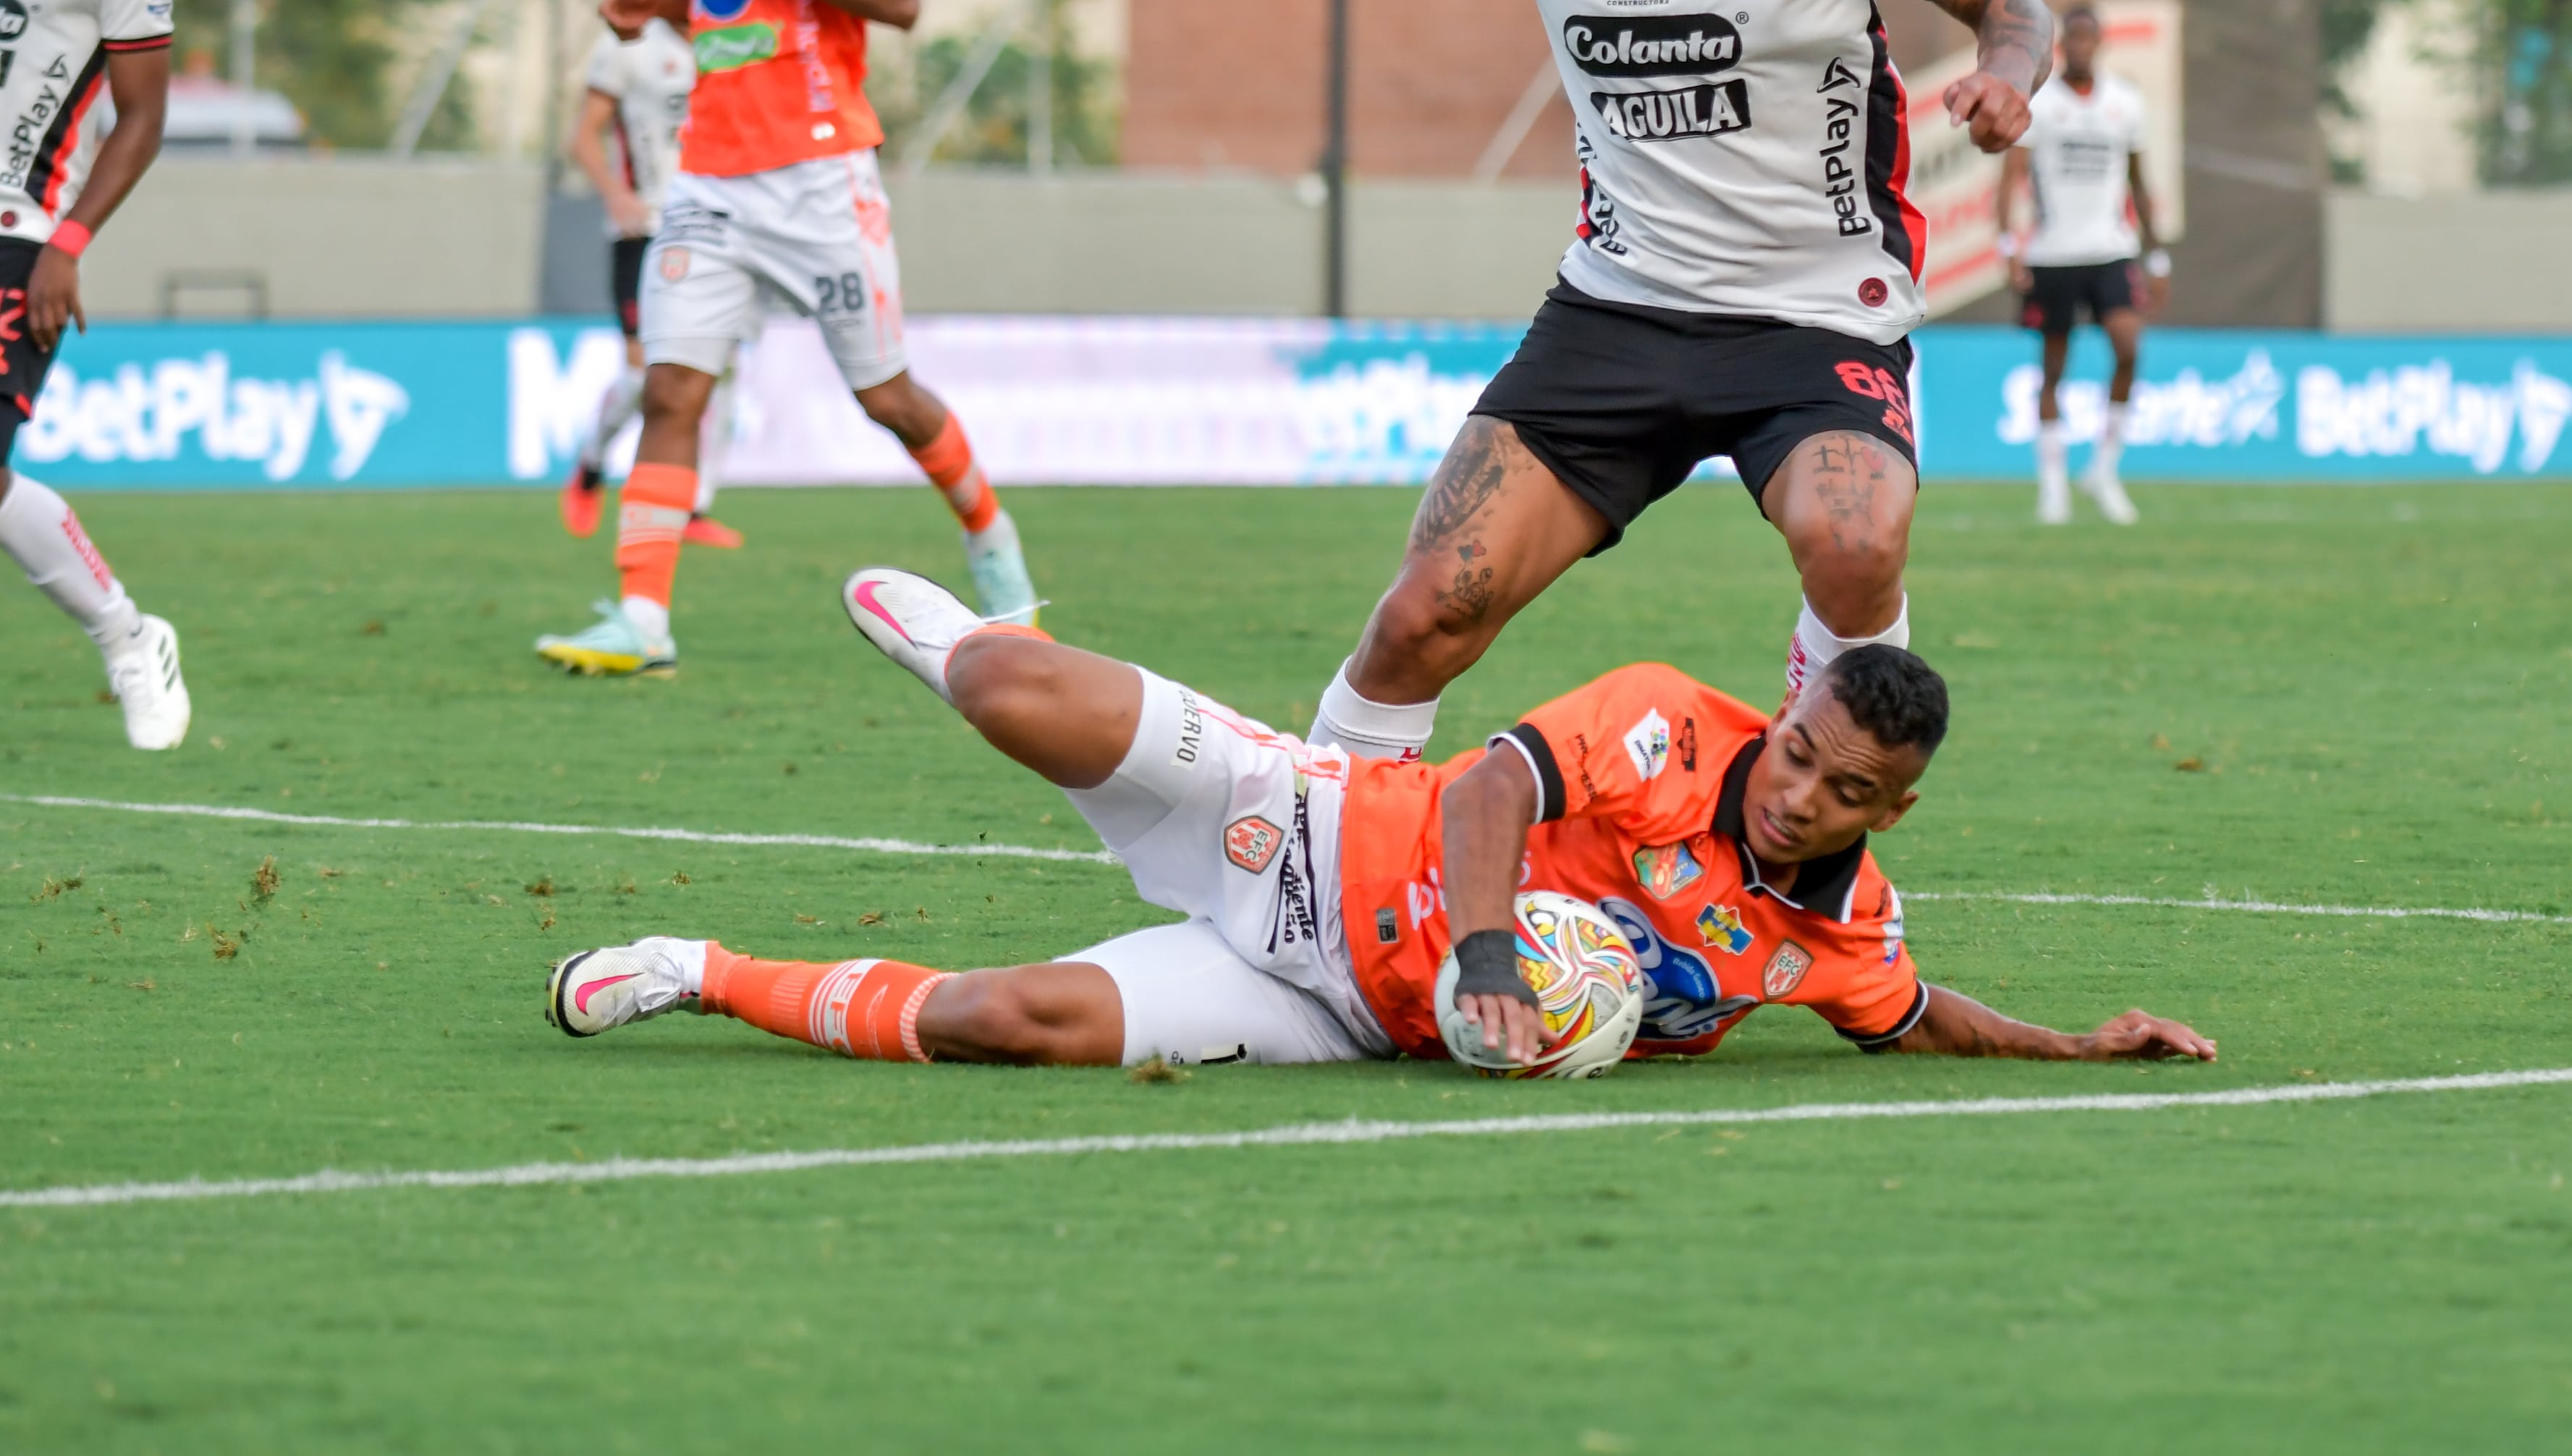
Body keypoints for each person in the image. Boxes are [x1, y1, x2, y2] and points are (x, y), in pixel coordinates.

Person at [1183, 0, 2054, 763]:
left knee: (1856, 541)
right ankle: (1313, 875)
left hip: (1813, 312)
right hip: (1619, 306)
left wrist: (2006, 73)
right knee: (1421, 613)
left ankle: (1810, 801)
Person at [547, 567, 2217, 1074]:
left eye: (1841, 789)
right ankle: (946, 636)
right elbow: (1494, 782)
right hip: (1323, 825)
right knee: (1013, 697)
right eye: (1794, 752)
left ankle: (700, 967)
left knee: (1011, 1021)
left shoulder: (1834, 928)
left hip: (1326, 1006)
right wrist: (1492, 944)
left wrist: (2083, 1042)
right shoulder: (1663, 720)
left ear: (1890, 805)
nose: (1793, 792)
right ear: (1780, 718)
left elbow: (1912, 1018)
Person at [533, 0, 1036, 677]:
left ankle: (992, 543)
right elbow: (746, 21)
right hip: (710, 183)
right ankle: (643, 618)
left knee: (887, 397)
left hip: (818, 182)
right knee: (673, 385)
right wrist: (666, 6)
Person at [0, 0, 185, 749]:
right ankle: (125, 627)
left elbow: (141, 118)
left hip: (19, 236)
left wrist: (69, 241)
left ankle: (126, 634)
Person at [555, 0, 740, 551]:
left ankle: (695, 506)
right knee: (642, 376)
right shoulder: (628, 50)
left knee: (724, 370)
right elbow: (583, 134)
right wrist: (616, 195)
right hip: (646, 230)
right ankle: (590, 464)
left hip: (715, 229)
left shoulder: (733, 47)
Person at [1999, 2, 2170, 528]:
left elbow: (2139, 181)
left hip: (2111, 249)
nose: (2079, 46)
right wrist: (2011, 247)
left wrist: (2156, 253)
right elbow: (2011, 178)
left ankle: (2103, 469)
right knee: (2054, 367)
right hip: (2054, 253)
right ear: (2060, 45)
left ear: (2099, 42)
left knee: (2127, 348)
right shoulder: (2042, 104)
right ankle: (2053, 486)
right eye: (2070, 37)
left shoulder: (2124, 101)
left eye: (2087, 37)